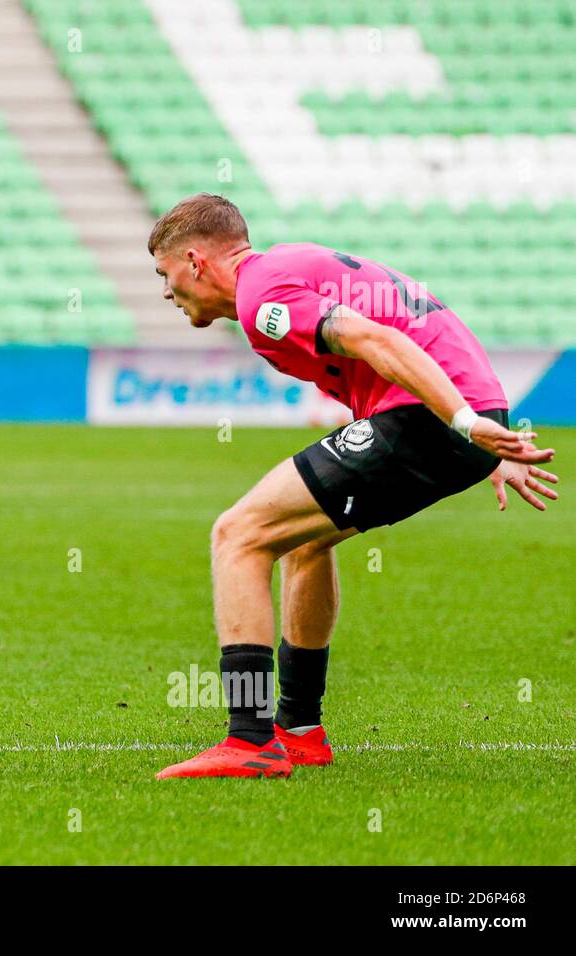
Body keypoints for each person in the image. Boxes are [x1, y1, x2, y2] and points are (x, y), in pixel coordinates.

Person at [147, 193, 558, 779]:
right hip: (446, 415)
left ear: (194, 261)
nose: (166, 292)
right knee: (307, 543)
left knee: (239, 535)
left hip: (428, 417)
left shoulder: (262, 293)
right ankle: (299, 730)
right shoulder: (286, 266)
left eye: (164, 275)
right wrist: (482, 434)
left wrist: (465, 424)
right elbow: (421, 324)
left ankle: (249, 739)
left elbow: (380, 341)